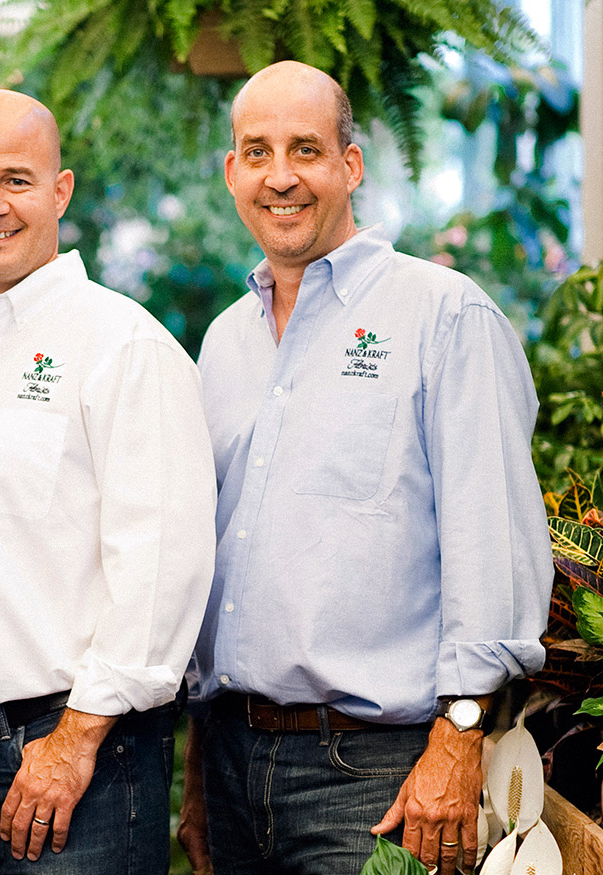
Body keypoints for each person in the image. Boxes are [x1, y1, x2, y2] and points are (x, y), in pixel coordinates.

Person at [176, 61, 554, 875]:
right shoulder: (223, 343)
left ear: (350, 166)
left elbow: (495, 544)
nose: (282, 176)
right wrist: (204, 776)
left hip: (381, 777)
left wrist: (457, 740)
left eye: (305, 149)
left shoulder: (444, 315)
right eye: (258, 151)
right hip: (235, 765)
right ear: (233, 171)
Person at [0, 89, 216, 875]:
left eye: (17, 179)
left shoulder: (122, 345)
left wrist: (72, 742)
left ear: (60, 190)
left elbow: (163, 566)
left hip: (78, 759)